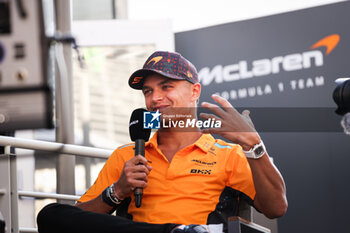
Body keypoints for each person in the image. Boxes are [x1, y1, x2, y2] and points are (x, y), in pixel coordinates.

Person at [37, 51, 287, 233]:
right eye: (148, 91)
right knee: (50, 215)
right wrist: (117, 191)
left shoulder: (228, 154)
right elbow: (78, 221)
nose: (155, 98)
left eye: (166, 87)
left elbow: (276, 208)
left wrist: (254, 145)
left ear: (195, 92)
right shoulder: (127, 155)